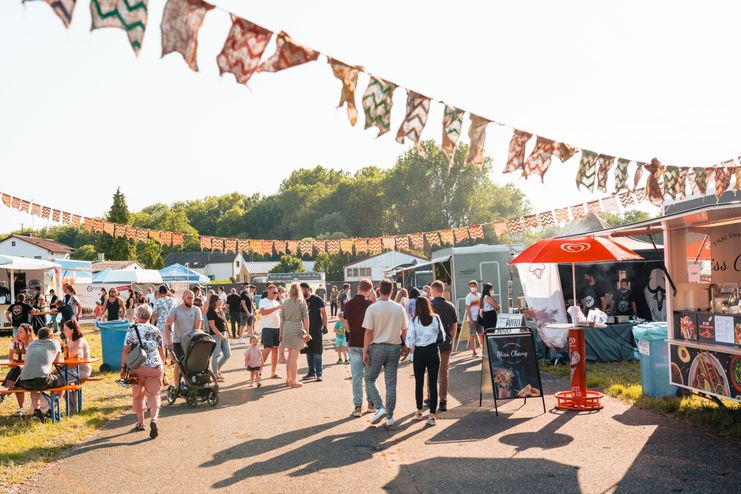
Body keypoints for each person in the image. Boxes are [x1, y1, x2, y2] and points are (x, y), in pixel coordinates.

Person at [363, 279, 408, 427]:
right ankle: (389, 416)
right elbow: (404, 330)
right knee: (391, 383)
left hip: (377, 347)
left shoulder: (372, 308)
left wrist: (365, 351)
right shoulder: (399, 308)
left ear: (378, 290)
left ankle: (379, 407)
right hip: (394, 347)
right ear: (392, 291)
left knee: (369, 378)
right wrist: (406, 345)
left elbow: (368, 332)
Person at [120, 304, 165, 439]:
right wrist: (163, 365)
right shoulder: (156, 330)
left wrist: (123, 367)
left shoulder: (132, 330)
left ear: (138, 316)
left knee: (138, 395)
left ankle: (140, 422)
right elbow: (162, 351)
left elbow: (125, 351)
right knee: (154, 395)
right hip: (155, 367)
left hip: (137, 367)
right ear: (150, 316)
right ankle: (154, 420)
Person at [407, 296, 445, 426]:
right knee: (433, 384)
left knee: (419, 382)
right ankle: (432, 416)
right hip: (433, 351)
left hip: (419, 353)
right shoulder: (436, 318)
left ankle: (419, 411)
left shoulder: (414, 320)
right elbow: (443, 336)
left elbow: (409, 340)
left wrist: (411, 348)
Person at [14, 327, 64, 421]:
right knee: (64, 383)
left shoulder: (32, 344)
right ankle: (51, 409)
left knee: (34, 383)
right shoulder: (55, 343)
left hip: (24, 382)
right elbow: (57, 362)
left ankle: (36, 412)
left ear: (38, 336)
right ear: (51, 336)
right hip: (42, 380)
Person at [342, 279, 374, 417]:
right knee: (369, 376)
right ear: (369, 290)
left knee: (356, 376)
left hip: (353, 341)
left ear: (358, 288)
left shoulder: (348, 304)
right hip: (368, 343)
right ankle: (371, 403)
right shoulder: (370, 305)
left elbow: (347, 327)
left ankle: (357, 406)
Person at [430, 280, 458, 413]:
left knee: (430, 371)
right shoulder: (450, 306)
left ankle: (430, 397)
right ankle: (443, 400)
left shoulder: (429, 305)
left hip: (431, 343)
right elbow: (454, 325)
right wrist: (451, 337)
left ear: (434, 291)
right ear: (442, 290)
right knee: (444, 371)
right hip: (446, 343)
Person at [165, 290, 202, 386]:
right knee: (179, 364)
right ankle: (177, 386)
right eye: (189, 298)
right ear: (183, 298)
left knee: (192, 364)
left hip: (192, 342)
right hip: (178, 341)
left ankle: (190, 384)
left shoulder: (196, 310)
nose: (191, 300)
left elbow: (197, 328)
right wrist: (168, 340)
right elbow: (168, 324)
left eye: (193, 298)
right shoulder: (176, 309)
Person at [0, 323, 35, 414]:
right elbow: (10, 363)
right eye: (17, 331)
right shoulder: (15, 344)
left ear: (27, 333)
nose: (17, 333)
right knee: (18, 372)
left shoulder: (33, 344)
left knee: (18, 370)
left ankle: (2, 394)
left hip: (32, 372)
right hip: (19, 373)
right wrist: (14, 345)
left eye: (20, 331)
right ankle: (21, 408)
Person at [280, 283, 310, 388]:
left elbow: (282, 320)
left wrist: (281, 333)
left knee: (289, 356)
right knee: (294, 356)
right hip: (297, 328)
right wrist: (307, 331)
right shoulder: (301, 302)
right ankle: (294, 380)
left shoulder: (285, 302)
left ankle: (288, 379)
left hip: (286, 329)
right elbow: (306, 318)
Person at [301, 283, 328, 382]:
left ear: (308, 289)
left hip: (316, 329)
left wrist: (325, 326)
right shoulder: (301, 301)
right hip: (305, 330)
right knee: (308, 352)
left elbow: (324, 313)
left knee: (317, 352)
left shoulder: (317, 299)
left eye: (302, 290)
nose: (301, 292)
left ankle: (319, 374)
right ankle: (311, 372)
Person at [259, 284, 282, 380]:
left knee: (275, 350)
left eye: (277, 292)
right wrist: (276, 308)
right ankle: (258, 369)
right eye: (274, 292)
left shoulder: (277, 302)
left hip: (277, 328)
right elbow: (263, 312)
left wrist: (280, 298)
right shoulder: (263, 301)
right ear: (268, 291)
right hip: (267, 328)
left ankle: (273, 372)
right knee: (267, 349)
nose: (276, 294)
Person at [206, 294, 231, 381]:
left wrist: (228, 332)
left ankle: (217, 370)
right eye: (219, 299)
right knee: (216, 355)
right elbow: (212, 326)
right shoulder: (210, 312)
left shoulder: (220, 310)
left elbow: (225, 322)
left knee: (227, 354)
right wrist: (221, 336)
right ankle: (215, 374)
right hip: (215, 335)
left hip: (223, 334)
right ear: (215, 301)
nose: (221, 301)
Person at [465, 280, 483, 358]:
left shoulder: (479, 295)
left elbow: (482, 306)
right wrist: (471, 319)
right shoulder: (468, 297)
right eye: (471, 286)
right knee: (473, 335)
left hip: (479, 318)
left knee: (481, 334)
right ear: (469, 287)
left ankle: (483, 350)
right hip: (472, 318)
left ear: (477, 286)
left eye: (474, 286)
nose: (473, 287)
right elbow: (468, 309)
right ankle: (474, 352)